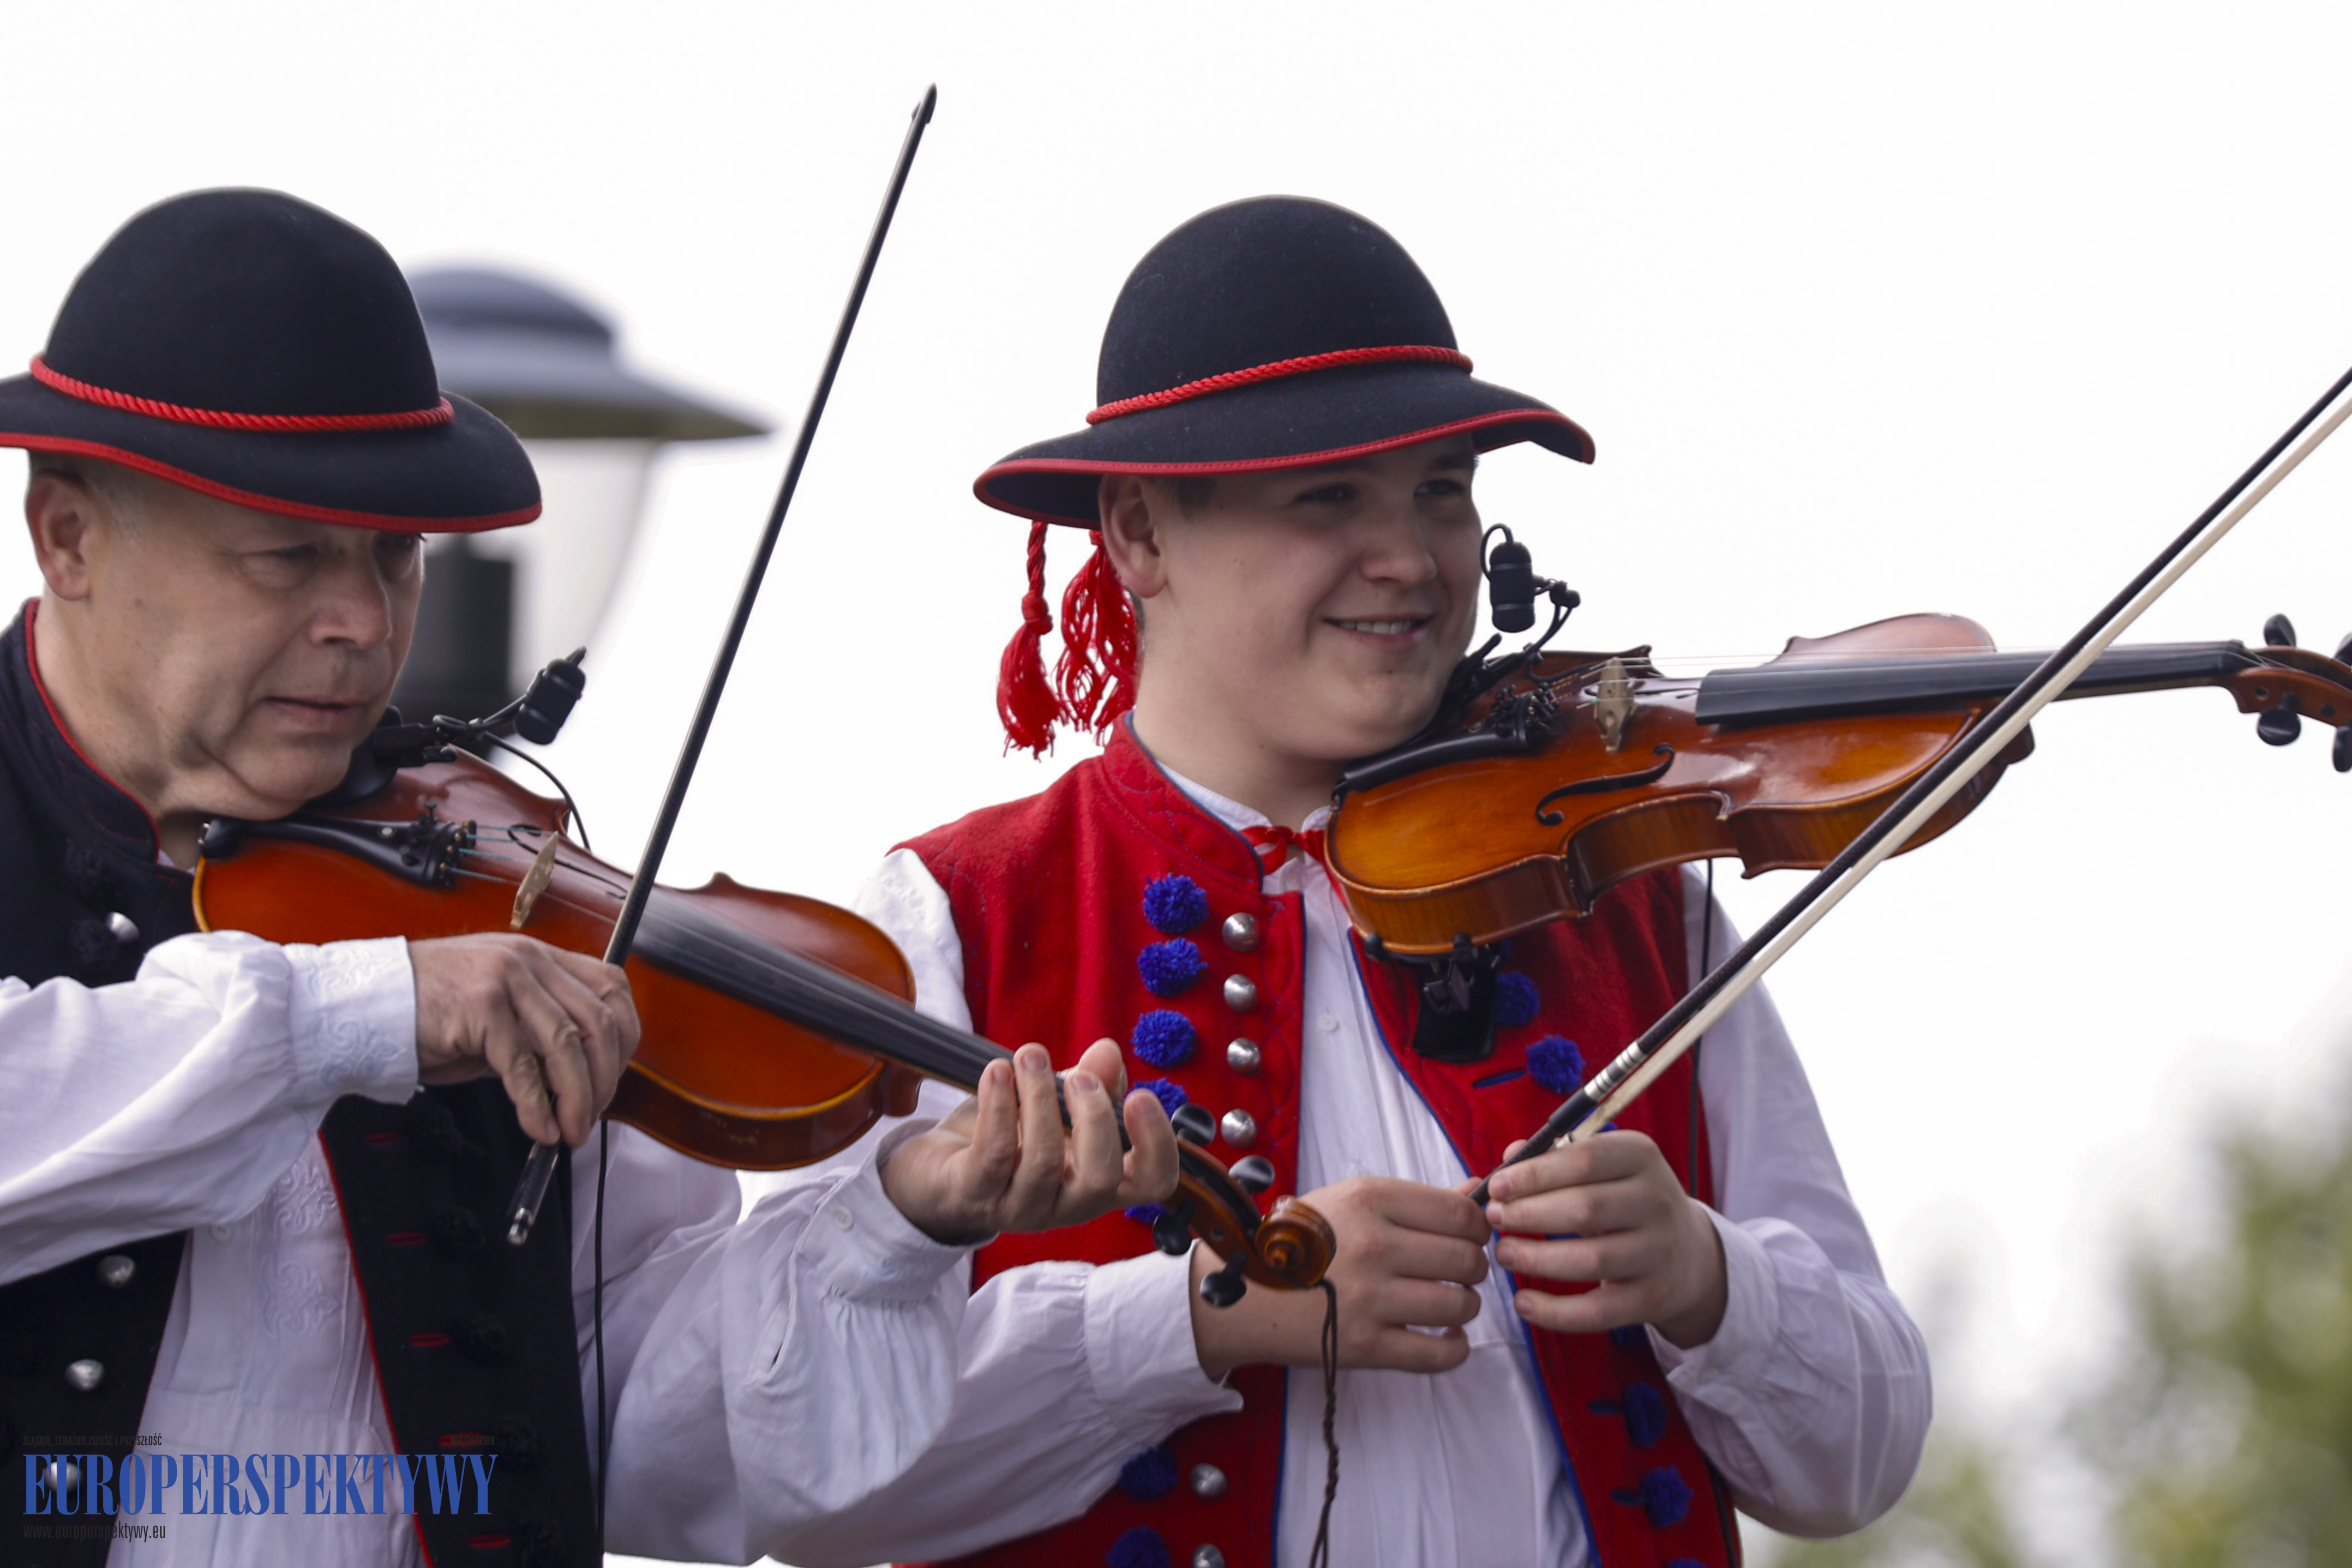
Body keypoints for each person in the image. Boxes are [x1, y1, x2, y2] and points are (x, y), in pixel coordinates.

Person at [0, 188, 1175, 1568]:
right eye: (289, 560)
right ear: (68, 537)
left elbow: (638, 1444)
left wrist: (892, 1226)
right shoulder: (428, 969)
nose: (363, 622)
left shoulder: (483, 873)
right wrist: (363, 1012)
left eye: (396, 557)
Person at [777, 197, 1934, 1568]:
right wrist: (1199, 1317)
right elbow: (804, 1473)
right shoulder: (951, 912)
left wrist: (1703, 1275)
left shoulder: (1628, 891)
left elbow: (1860, 1457)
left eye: (1442, 489)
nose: (1410, 560)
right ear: (1139, 532)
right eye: (1328, 495)